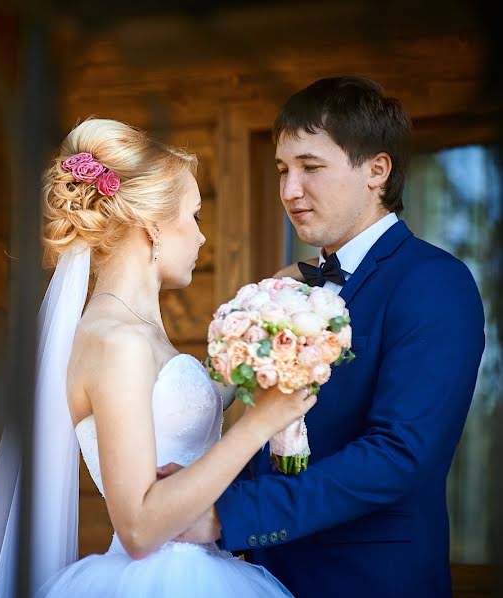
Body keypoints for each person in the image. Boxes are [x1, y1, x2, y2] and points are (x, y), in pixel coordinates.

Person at [165, 77, 485, 598]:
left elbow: (399, 454)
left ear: (376, 171)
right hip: (263, 577)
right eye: (282, 170)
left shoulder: (434, 282)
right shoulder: (289, 284)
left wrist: (228, 513)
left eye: (311, 167)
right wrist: (200, 487)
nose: (290, 190)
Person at [0, 117, 313, 597]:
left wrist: (266, 304)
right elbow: (139, 527)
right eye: (194, 216)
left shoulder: (136, 331)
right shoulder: (116, 340)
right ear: (152, 225)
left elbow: (183, 409)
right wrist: (261, 422)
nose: (201, 238)